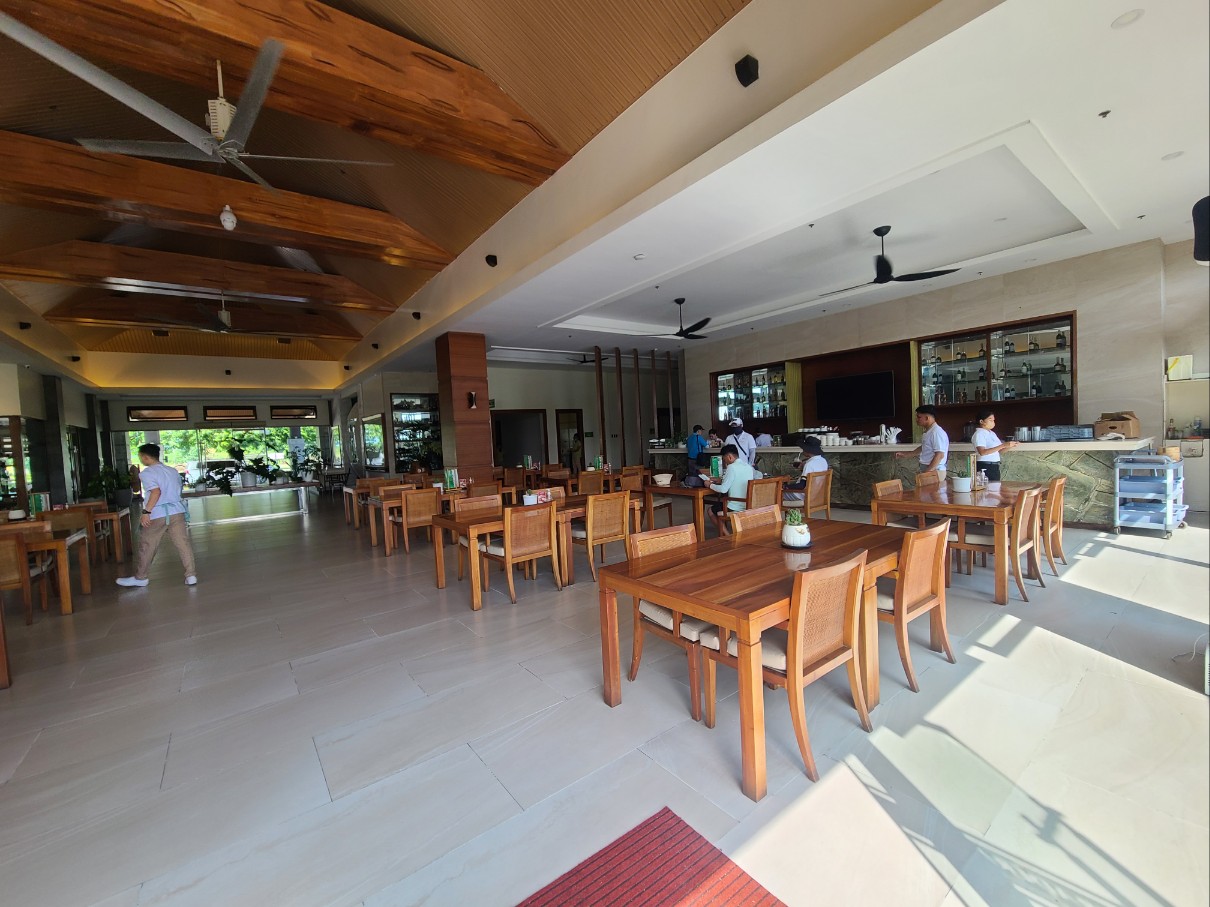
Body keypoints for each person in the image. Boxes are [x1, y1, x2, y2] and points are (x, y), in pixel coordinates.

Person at [116, 443, 197, 587]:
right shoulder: (172, 471)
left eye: (141, 456)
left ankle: (141, 578)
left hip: (158, 513)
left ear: (145, 457)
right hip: (177, 511)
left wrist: (146, 512)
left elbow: (156, 492)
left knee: (147, 545)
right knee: (183, 544)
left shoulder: (146, 473)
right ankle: (191, 575)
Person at [707, 443, 755, 536]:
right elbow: (737, 480)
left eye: (724, 459)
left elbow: (723, 489)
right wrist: (721, 480)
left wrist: (710, 485)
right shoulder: (748, 467)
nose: (725, 462)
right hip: (748, 504)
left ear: (729, 457)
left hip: (734, 506)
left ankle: (728, 535)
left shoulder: (731, 467)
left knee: (710, 510)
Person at [896, 405, 949, 476]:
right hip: (930, 470)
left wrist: (926, 473)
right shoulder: (929, 431)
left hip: (934, 471)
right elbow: (924, 447)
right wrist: (906, 454)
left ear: (927, 418)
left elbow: (939, 455)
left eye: (919, 417)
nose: (916, 419)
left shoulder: (936, 432)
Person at [971, 409, 1018, 482]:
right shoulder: (979, 434)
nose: (993, 422)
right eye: (990, 420)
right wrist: (1003, 445)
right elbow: (982, 452)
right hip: (985, 466)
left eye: (993, 420)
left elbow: (999, 451)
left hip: (994, 466)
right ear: (981, 421)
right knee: (987, 488)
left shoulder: (992, 433)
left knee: (995, 487)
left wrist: (1009, 446)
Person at [784, 435, 827, 501]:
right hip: (816, 494)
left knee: (775, 492)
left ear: (807, 450)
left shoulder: (809, 464)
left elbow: (802, 485)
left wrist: (785, 487)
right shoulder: (823, 461)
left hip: (802, 495)